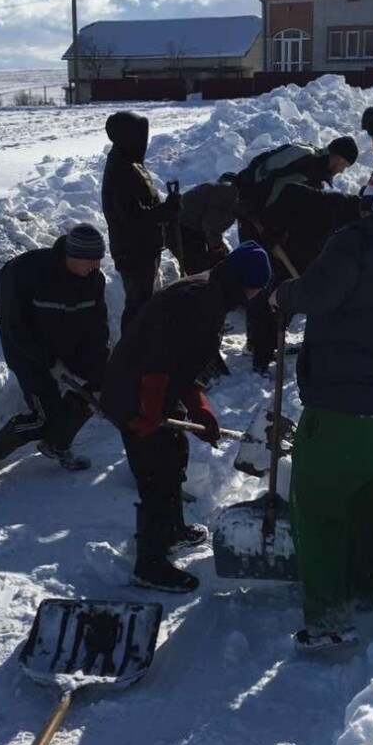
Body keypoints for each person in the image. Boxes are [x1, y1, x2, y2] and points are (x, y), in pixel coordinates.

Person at [269, 158, 373, 651]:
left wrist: (285, 296)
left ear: (371, 204)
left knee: (318, 504)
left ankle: (327, 619)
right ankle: (366, 587)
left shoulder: (353, 241)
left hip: (340, 397)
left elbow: (320, 292)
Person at [99, 242, 273, 593]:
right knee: (155, 474)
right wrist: (149, 410)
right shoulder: (201, 300)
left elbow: (181, 361)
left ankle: (172, 531)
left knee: (174, 452)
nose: (255, 297)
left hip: (155, 388)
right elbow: (159, 358)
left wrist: (198, 408)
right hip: (136, 392)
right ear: (244, 283)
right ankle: (149, 564)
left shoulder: (211, 292)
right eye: (255, 289)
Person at [0, 225, 109, 485]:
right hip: (28, 352)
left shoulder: (93, 280)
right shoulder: (28, 273)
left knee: (104, 384)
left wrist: (100, 368)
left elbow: (97, 327)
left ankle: (57, 443)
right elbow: (15, 327)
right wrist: (49, 362)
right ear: (73, 256)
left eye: (99, 259)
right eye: (91, 260)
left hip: (68, 344)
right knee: (44, 417)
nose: (97, 265)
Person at [232, 137, 358, 372]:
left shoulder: (316, 179)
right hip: (254, 219)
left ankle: (259, 343)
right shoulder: (302, 156)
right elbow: (267, 181)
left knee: (271, 282)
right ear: (337, 157)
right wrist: (263, 222)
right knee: (261, 281)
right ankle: (260, 351)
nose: (342, 171)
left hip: (270, 228)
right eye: (344, 165)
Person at [246, 182, 361, 374]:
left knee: (286, 305)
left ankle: (264, 347)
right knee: (278, 305)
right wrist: (272, 228)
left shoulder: (358, 224)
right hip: (289, 254)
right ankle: (261, 357)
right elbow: (291, 189)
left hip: (304, 258)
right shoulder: (339, 206)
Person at [101, 111, 182, 332]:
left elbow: (142, 204)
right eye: (138, 135)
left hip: (143, 247)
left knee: (144, 303)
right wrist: (164, 211)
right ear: (126, 136)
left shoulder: (130, 162)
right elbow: (130, 217)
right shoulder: (121, 170)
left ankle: (142, 350)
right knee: (138, 307)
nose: (143, 140)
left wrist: (165, 209)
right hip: (133, 250)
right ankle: (132, 355)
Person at [171, 175, 238, 276]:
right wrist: (217, 246)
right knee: (199, 269)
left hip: (192, 226)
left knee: (215, 259)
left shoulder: (218, 189)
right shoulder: (227, 191)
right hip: (182, 225)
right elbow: (211, 225)